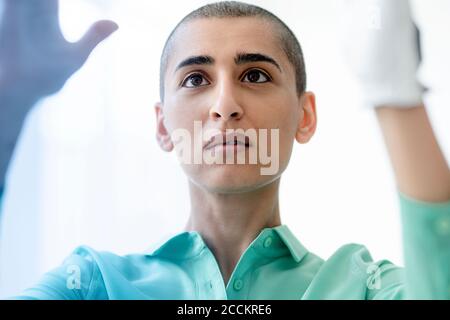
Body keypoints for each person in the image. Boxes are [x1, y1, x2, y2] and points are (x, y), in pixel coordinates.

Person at [0, 0, 449, 300]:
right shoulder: (92, 285)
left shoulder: (364, 287)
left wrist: (395, 95)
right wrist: (7, 108)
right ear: (162, 125)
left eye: (255, 75)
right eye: (196, 79)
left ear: (305, 116)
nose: (225, 106)